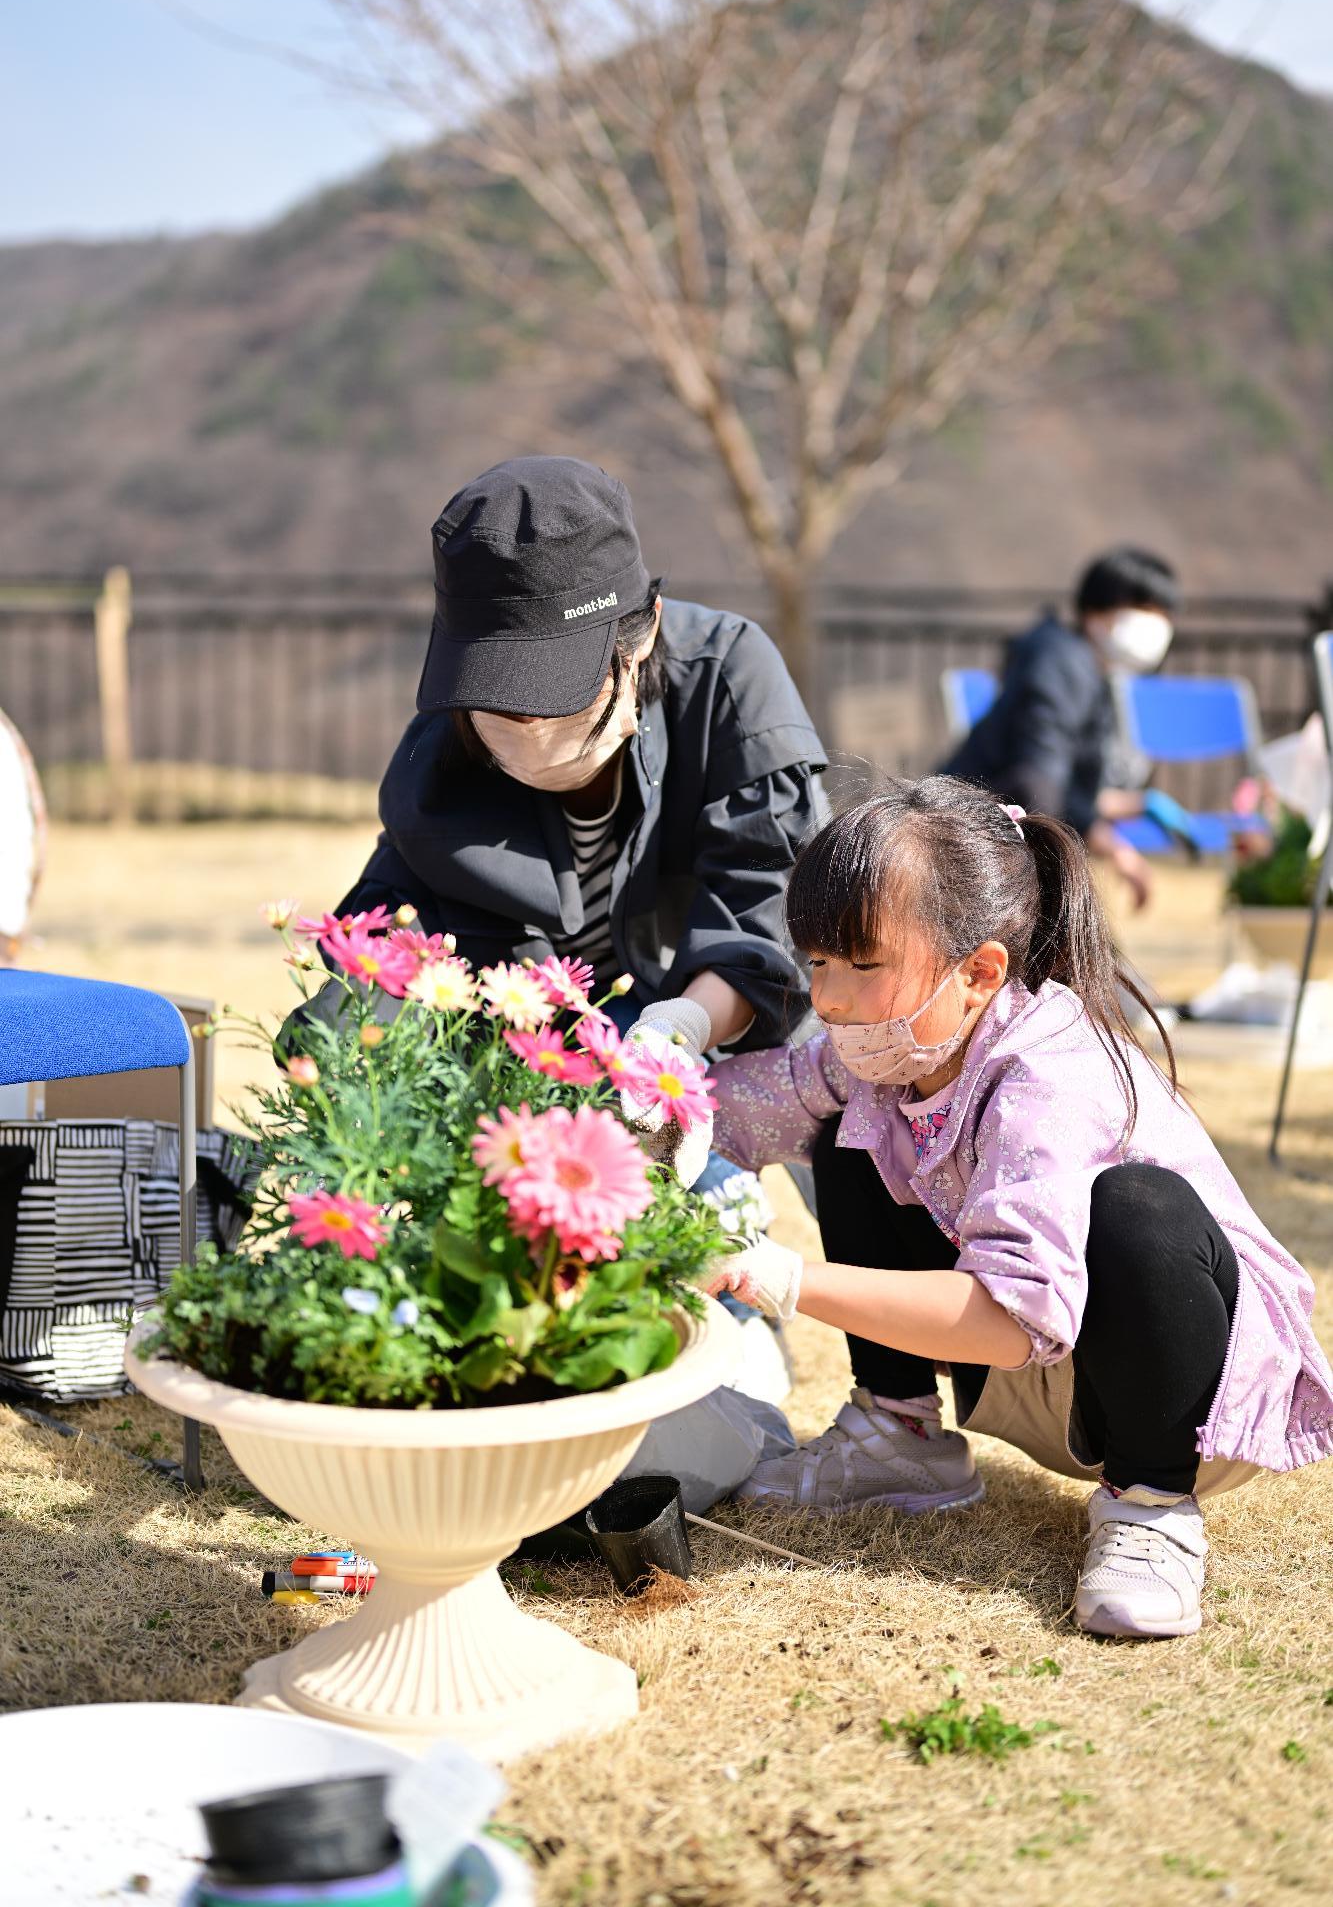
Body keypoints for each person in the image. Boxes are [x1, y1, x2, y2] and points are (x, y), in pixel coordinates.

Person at [697, 777, 1333, 1639]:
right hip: (1046, 1363)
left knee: (1138, 1209)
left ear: (980, 971)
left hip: (1181, 1398)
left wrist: (778, 1277)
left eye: (861, 963)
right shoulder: (900, 1041)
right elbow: (753, 1103)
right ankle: (900, 1436)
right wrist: (637, 1082)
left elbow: (1005, 1319)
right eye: (817, 962)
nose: (830, 998)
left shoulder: (1051, 1072)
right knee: (849, 1127)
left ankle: (1150, 1507)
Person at [302, 453, 828, 1089]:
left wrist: (682, 1028)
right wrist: (339, 1034)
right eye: (495, 695)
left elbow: (767, 914)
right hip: (525, 1053)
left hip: (710, 1043)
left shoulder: (728, 679)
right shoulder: (444, 745)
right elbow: (400, 909)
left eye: (555, 693)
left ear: (642, 636)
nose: (524, 722)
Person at [943, 547, 1182, 909]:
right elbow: (1038, 780)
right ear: (1095, 612)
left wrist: (1127, 818)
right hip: (968, 842)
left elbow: (1062, 783)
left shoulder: (1081, 668)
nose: (1154, 625)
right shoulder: (1062, 666)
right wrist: (1063, 878)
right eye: (1141, 610)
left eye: (1161, 614)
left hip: (985, 832)